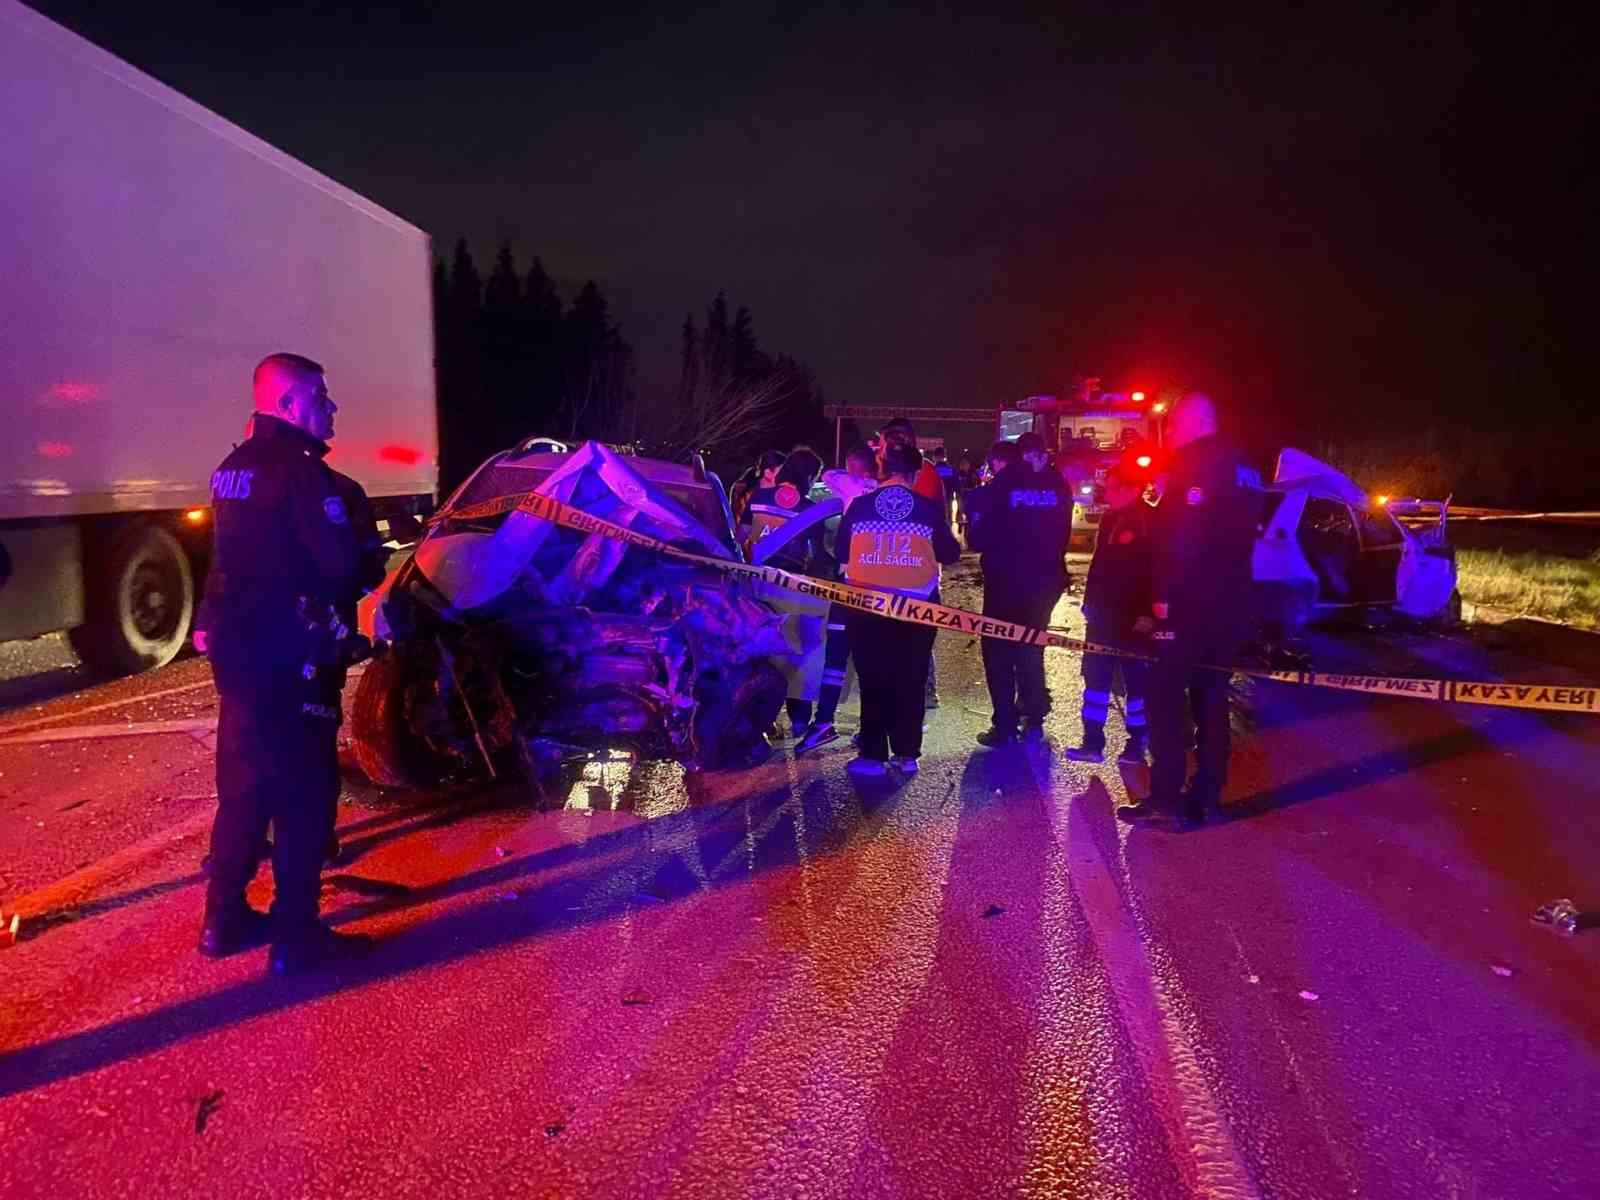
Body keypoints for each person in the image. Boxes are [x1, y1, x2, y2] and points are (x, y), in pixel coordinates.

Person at [193, 353, 387, 973]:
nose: (331, 409)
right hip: (293, 657)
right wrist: (368, 557)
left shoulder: (233, 469)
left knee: (244, 791)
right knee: (306, 794)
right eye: (321, 397)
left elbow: (226, 559)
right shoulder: (303, 476)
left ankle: (221, 922)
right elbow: (340, 567)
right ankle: (296, 939)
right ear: (287, 404)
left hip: (242, 659)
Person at [1118, 392, 1262, 830]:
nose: (1172, 433)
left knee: (1164, 700)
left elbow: (1180, 538)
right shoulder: (1247, 467)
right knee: (1212, 700)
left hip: (1186, 604)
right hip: (1232, 604)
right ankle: (1209, 796)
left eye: (1176, 424)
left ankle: (1165, 797)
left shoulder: (1192, 464)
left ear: (1193, 422)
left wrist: (1160, 598)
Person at [833, 442, 960, 776]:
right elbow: (950, 553)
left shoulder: (859, 507)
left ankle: (872, 755)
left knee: (873, 678)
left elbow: (839, 551)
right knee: (911, 679)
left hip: (865, 608)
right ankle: (906, 754)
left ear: (881, 472)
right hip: (916, 611)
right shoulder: (928, 508)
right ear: (916, 474)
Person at [965, 433, 1073, 746]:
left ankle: (1005, 724)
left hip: (1006, 580)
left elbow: (979, 538)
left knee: (999, 652)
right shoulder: (1058, 483)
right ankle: (1034, 716)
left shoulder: (1002, 484)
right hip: (1046, 580)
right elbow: (1064, 531)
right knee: (1031, 647)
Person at [1065, 460, 1153, 764]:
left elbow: (1155, 573)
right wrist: (1089, 601)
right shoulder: (1111, 519)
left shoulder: (1148, 521)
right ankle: (1092, 742)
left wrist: (1147, 613)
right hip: (1103, 616)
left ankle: (1137, 743)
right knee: (1096, 680)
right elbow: (1099, 567)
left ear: (1131, 489)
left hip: (1133, 619)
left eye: (1113, 487)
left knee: (1136, 686)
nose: (1107, 493)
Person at [798, 442, 881, 754]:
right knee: (870, 661)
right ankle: (869, 727)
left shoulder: (851, 486)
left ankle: (823, 723)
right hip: (881, 587)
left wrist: (855, 471)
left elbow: (831, 476)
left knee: (836, 655)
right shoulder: (886, 492)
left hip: (851, 583)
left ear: (854, 468)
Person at [746, 448, 831, 733]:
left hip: (755, 585)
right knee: (798, 653)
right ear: (809, 477)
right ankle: (798, 721)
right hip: (793, 586)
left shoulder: (757, 498)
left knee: (760, 653)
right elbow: (817, 555)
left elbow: (742, 536)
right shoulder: (810, 509)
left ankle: (759, 719)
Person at [877, 417, 948, 707]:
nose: (881, 447)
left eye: (885, 441)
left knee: (909, 635)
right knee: (912, 633)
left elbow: (932, 518)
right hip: (900, 566)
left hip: (904, 566)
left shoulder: (922, 474)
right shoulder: (894, 470)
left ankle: (920, 691)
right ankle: (916, 693)